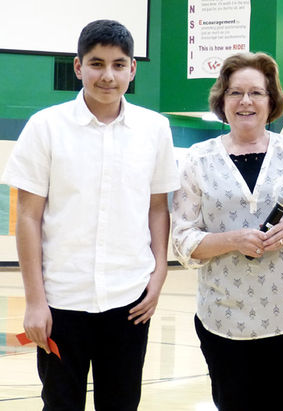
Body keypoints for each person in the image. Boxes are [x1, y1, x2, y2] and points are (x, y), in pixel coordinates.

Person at [1, 20, 180, 410]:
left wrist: (159, 271)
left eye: (119, 64)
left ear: (132, 70)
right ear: (78, 67)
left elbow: (157, 209)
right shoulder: (45, 128)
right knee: (60, 404)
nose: (108, 75)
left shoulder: (155, 129)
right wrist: (34, 301)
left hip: (129, 303)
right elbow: (28, 217)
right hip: (61, 303)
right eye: (97, 64)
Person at [170, 51, 283, 411]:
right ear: (222, 101)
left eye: (256, 92)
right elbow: (182, 240)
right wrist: (231, 240)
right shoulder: (197, 160)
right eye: (235, 92)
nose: (246, 101)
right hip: (223, 319)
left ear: (271, 100)